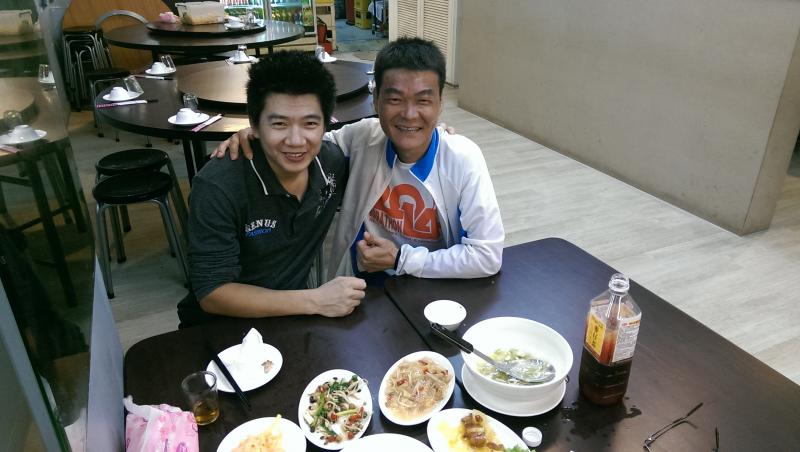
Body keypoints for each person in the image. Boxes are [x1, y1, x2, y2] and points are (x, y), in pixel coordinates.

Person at [214, 37, 505, 282]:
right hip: (361, 286)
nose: (409, 114)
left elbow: (487, 256)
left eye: (423, 100)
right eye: (395, 99)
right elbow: (307, 142)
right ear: (376, 100)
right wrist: (255, 134)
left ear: (441, 103)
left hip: (432, 288)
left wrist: (402, 259)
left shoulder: (462, 159)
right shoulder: (363, 136)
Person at [177, 51, 366, 327]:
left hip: (291, 319)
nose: (296, 140)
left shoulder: (331, 164)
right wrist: (316, 300)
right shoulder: (218, 186)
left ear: (326, 124)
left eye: (310, 123)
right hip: (219, 327)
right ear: (254, 125)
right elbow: (212, 293)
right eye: (279, 124)